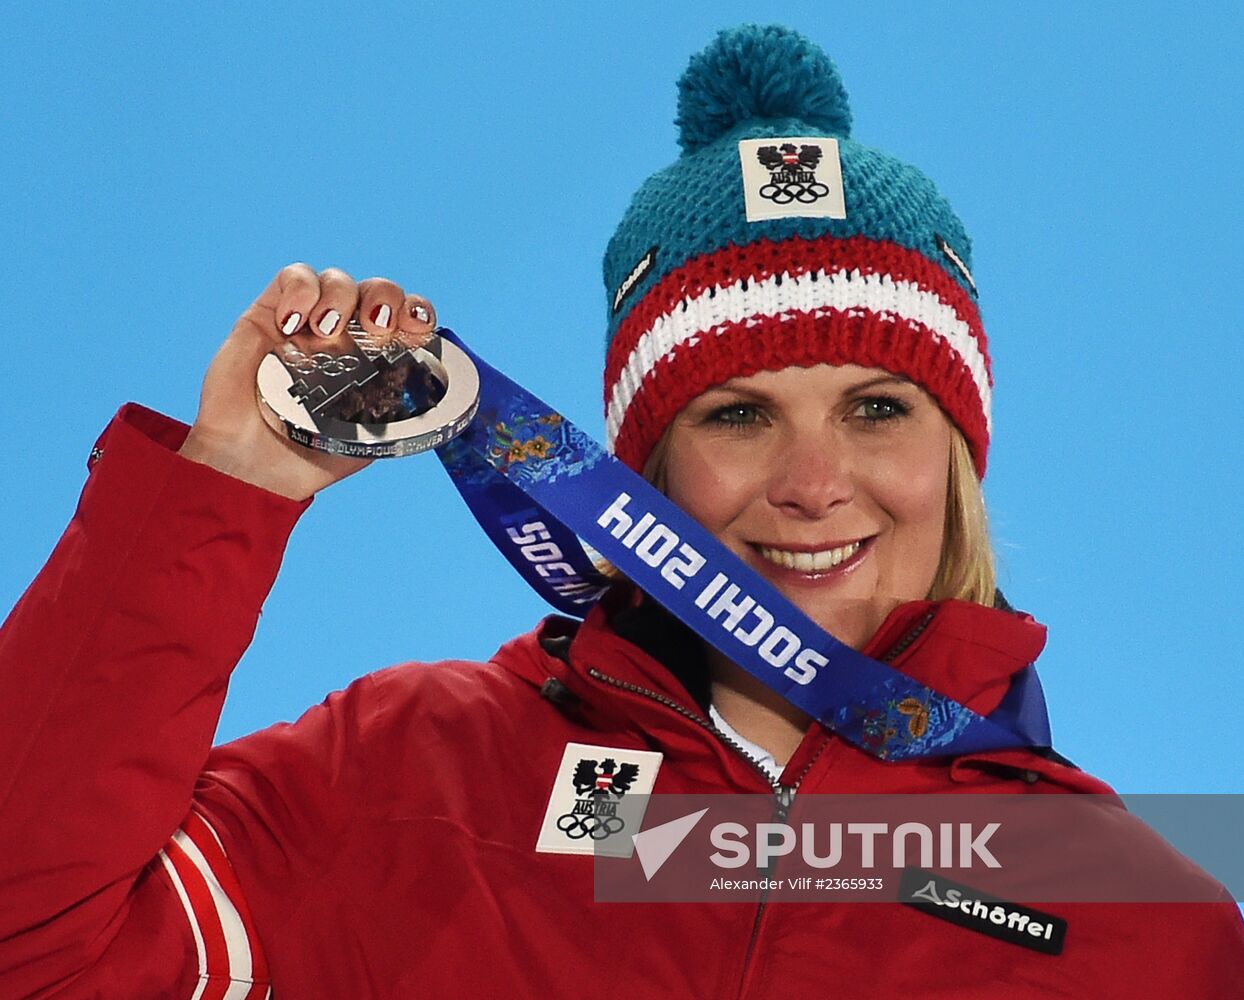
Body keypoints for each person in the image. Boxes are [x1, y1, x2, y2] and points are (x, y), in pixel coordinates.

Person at [1, 23, 1241, 1000]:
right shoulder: (405, 770)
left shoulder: (1135, 917)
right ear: (640, 467)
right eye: (736, 415)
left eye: (876, 409)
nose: (813, 484)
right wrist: (232, 485)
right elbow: (31, 952)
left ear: (958, 455)